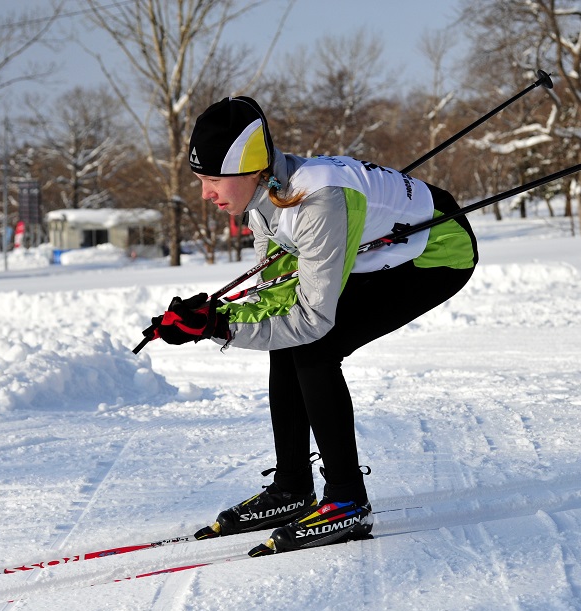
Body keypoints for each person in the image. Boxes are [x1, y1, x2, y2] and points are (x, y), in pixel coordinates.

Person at [149, 96, 478, 556]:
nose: (205, 192)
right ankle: (292, 489)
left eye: (212, 179)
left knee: (315, 348)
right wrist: (210, 316)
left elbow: (310, 320)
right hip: (384, 247)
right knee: (288, 343)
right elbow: (277, 301)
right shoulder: (264, 199)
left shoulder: (317, 201)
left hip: (437, 255)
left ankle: (346, 500)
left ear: (249, 170)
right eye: (200, 179)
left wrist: (217, 328)